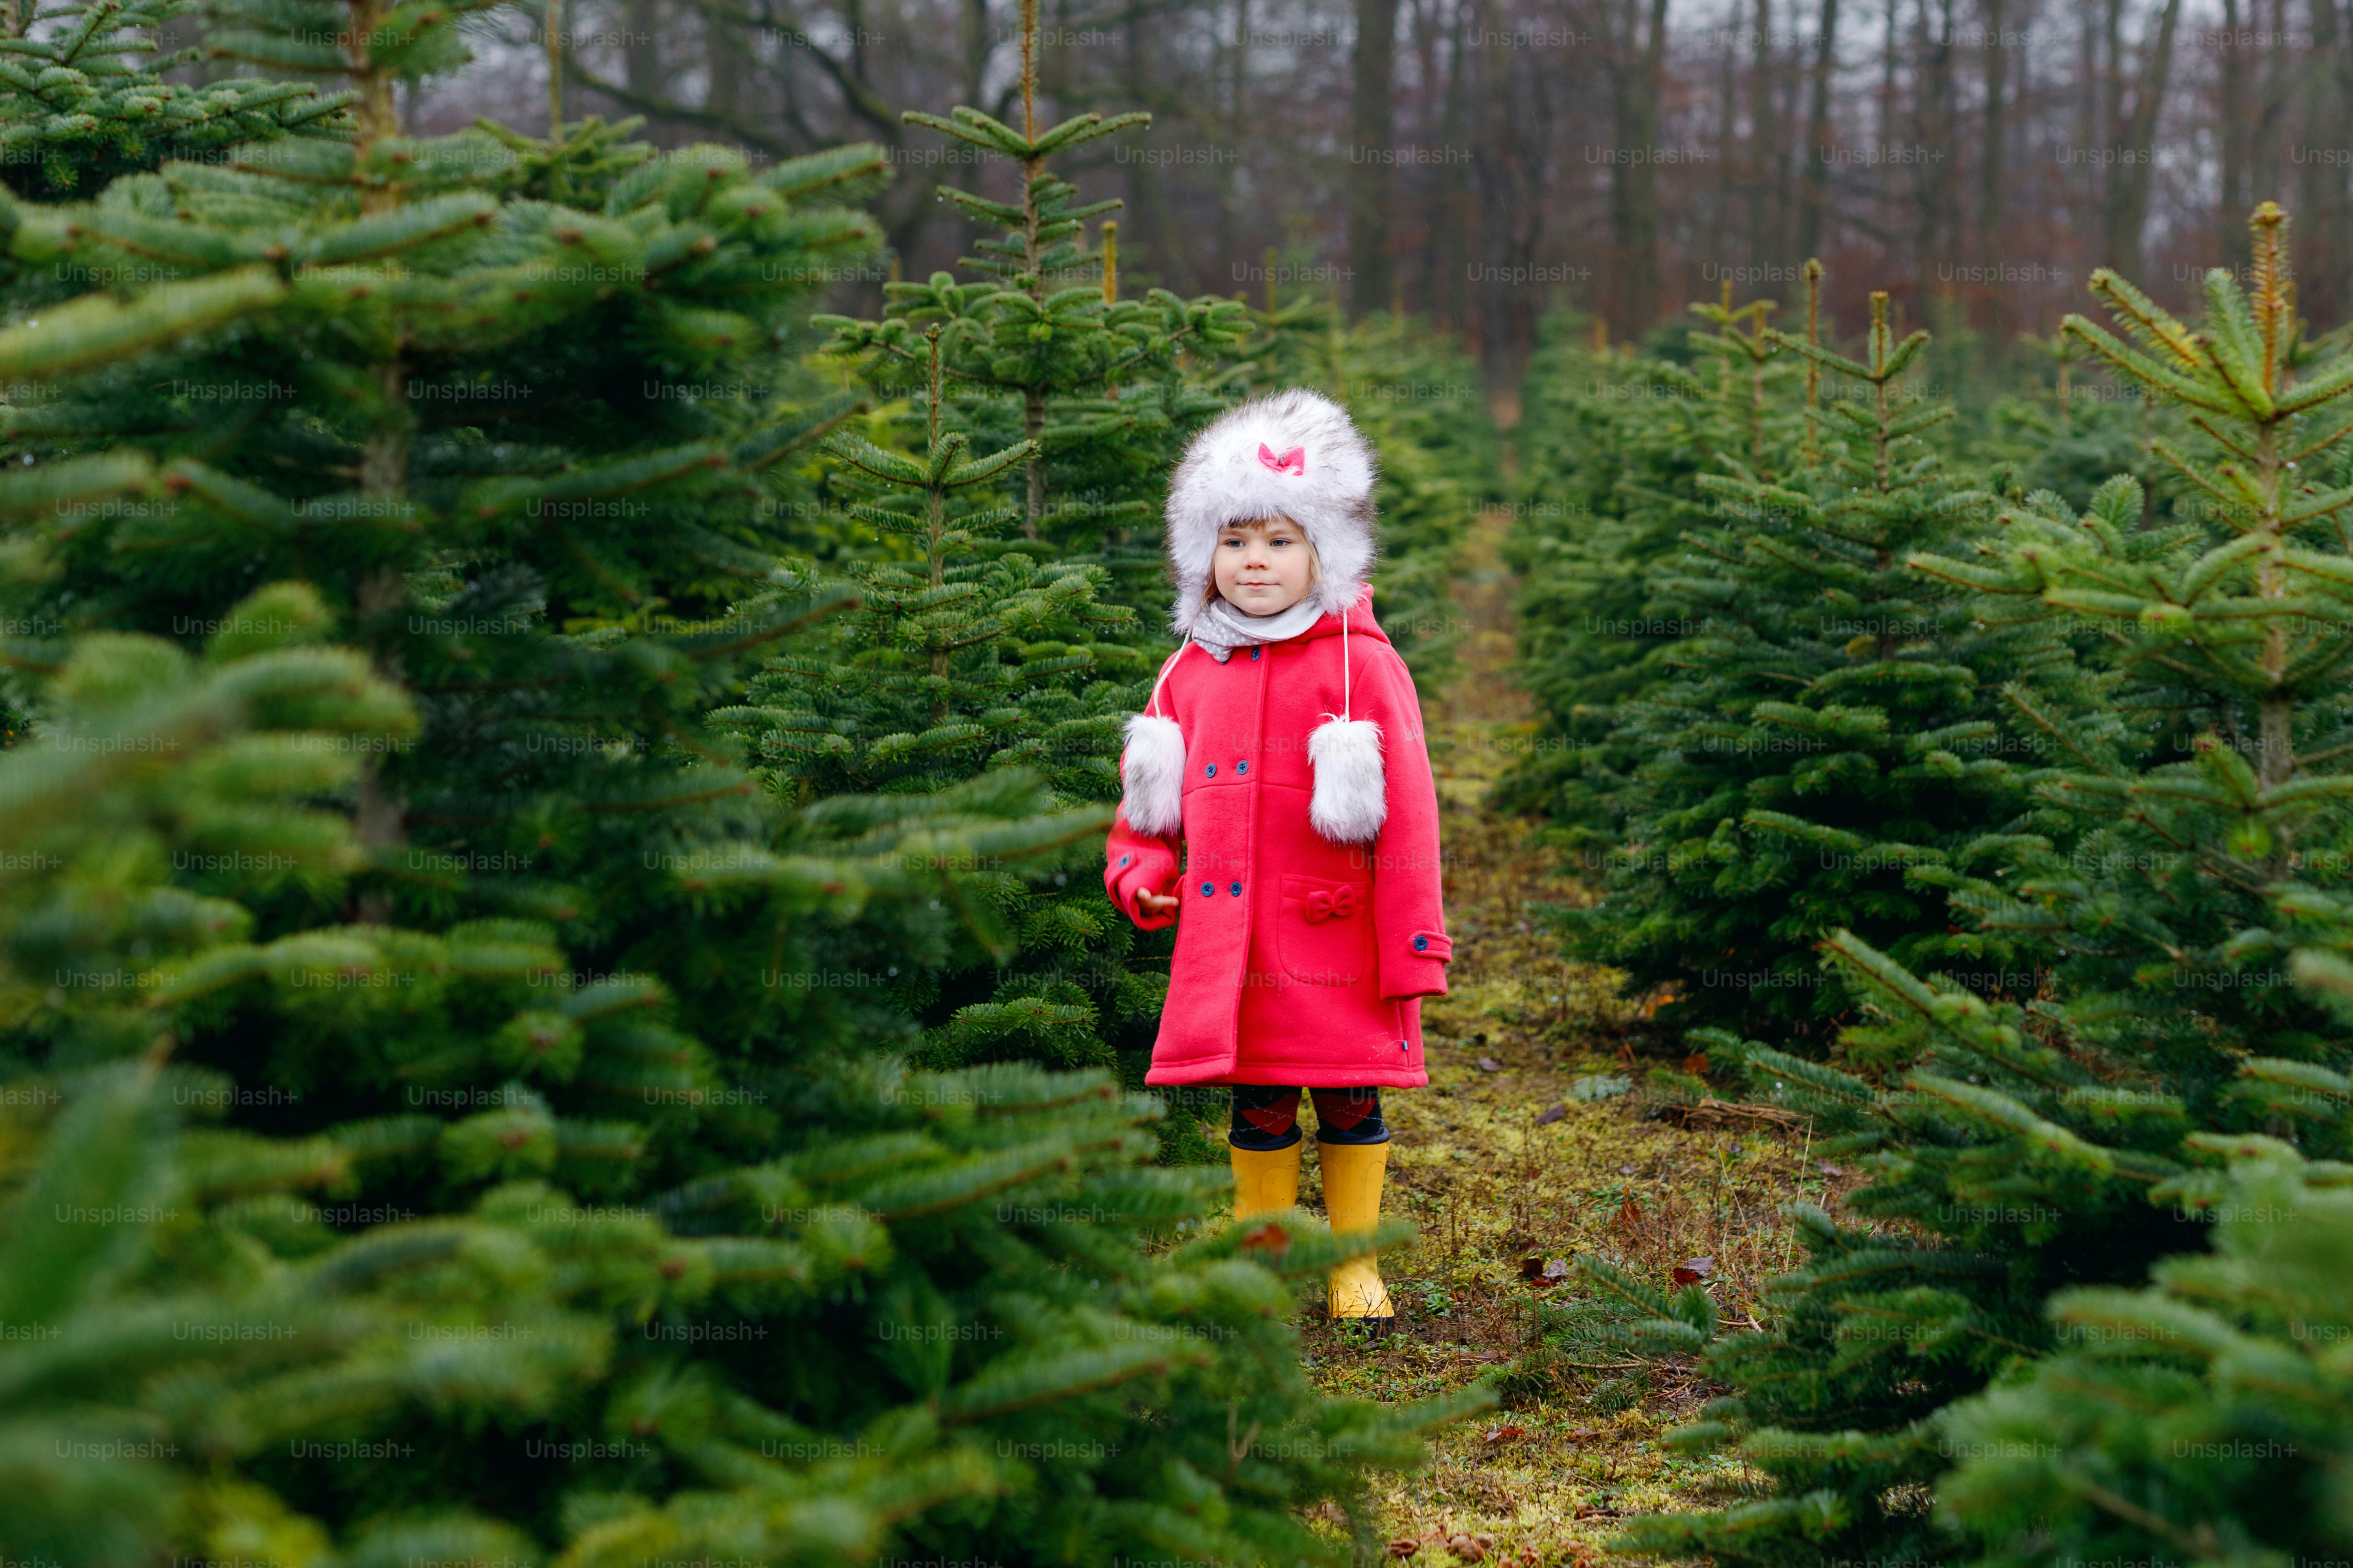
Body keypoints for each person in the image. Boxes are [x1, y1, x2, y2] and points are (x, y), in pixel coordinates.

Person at [1103, 388, 1454, 1332]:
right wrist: (1137, 869)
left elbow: (1411, 815)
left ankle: (1353, 1263)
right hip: (1234, 939)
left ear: (1322, 556)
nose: (1254, 561)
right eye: (1234, 542)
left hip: (1334, 936)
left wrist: (1415, 940)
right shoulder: (1188, 669)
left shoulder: (1360, 664)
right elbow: (1147, 805)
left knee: (1344, 1093)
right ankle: (1257, 1261)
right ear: (1203, 557)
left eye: (1278, 542)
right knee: (1257, 1096)